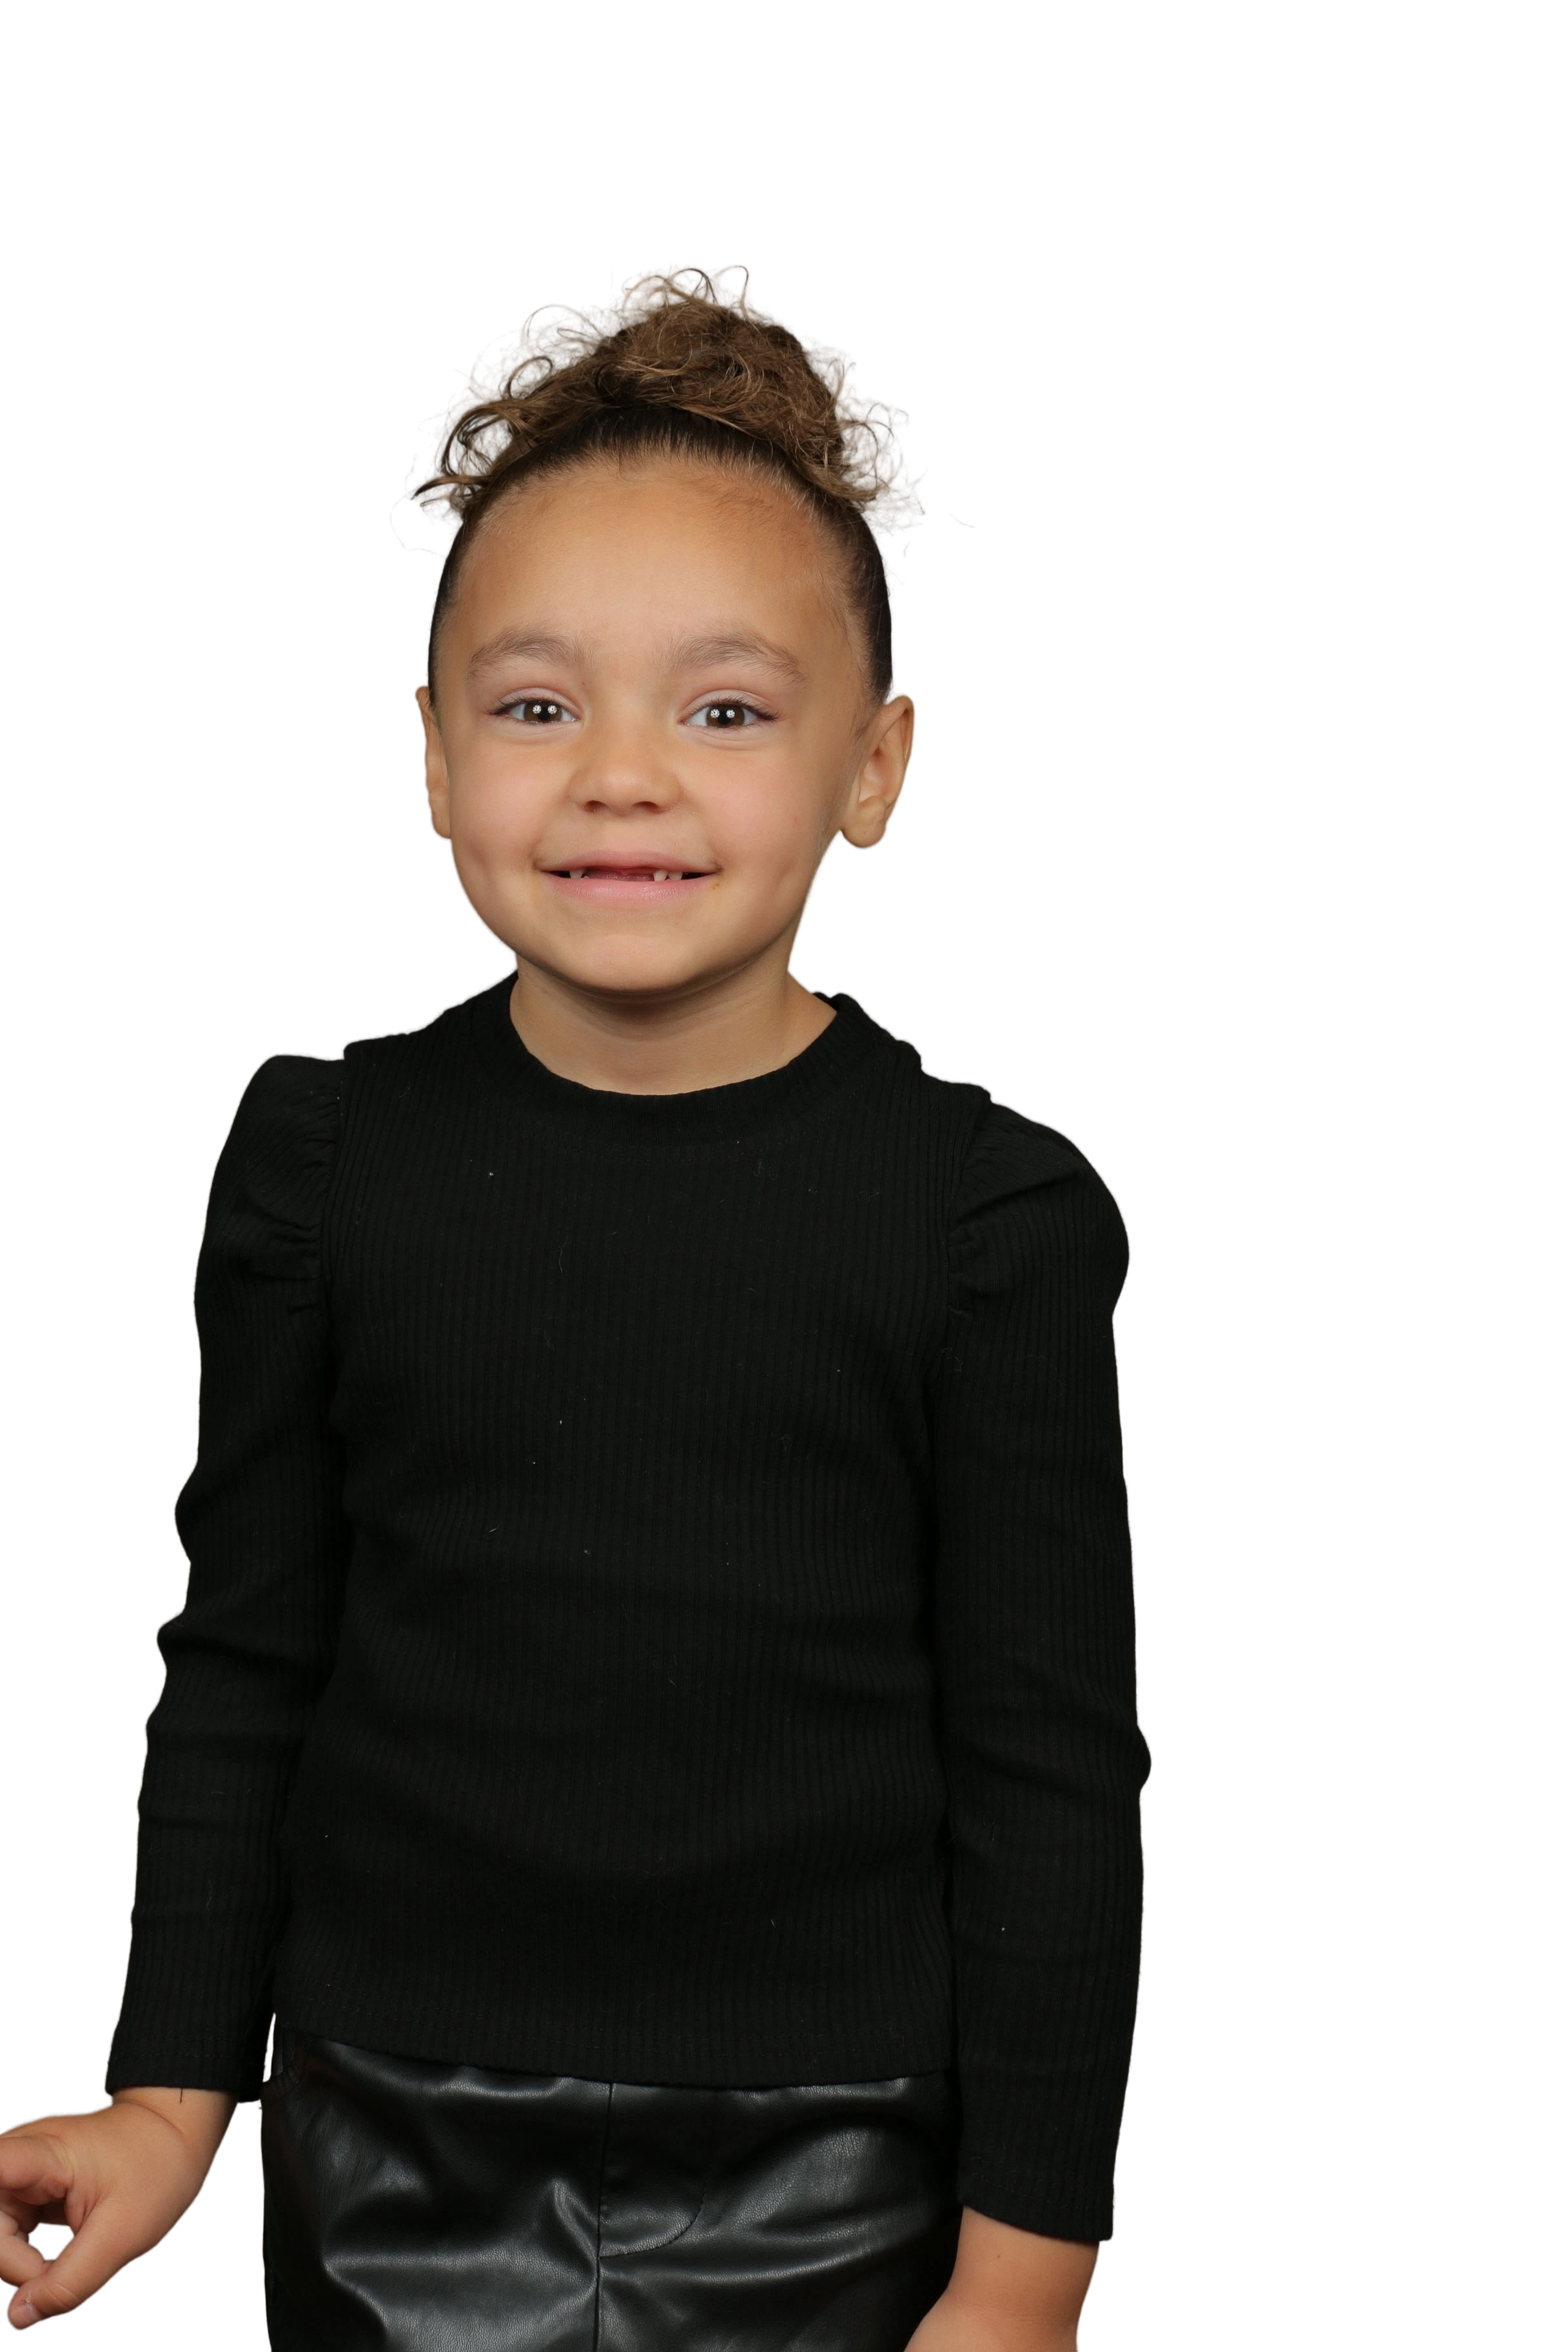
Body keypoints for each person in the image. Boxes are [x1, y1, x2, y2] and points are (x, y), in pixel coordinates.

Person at [0, 259, 1154, 2352]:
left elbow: (1051, 1773)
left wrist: (1026, 2273)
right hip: (386, 2136)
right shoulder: (320, 1163)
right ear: (436, 757)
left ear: (875, 763)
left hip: (846, 2160)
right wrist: (169, 2101)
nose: (624, 775)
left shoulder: (990, 1219)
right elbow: (247, 1661)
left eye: (726, 709)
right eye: (538, 706)